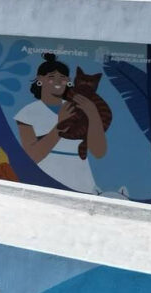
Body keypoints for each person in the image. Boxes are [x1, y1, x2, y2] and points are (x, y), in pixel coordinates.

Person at [15, 53, 107, 193]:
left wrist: (93, 114)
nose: (58, 82)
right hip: (44, 180)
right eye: (51, 77)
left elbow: (99, 152)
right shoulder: (28, 113)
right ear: (40, 79)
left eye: (63, 78)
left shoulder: (78, 107)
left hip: (81, 181)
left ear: (68, 81)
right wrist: (59, 125)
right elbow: (32, 156)